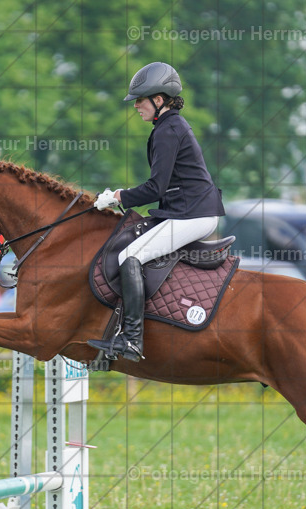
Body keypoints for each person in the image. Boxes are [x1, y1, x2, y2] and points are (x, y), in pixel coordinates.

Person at [88, 62, 226, 362]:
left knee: (130, 256)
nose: (136, 105)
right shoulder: (169, 126)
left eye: (141, 99)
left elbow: (155, 188)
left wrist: (118, 197)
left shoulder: (169, 130)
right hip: (186, 210)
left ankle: (132, 340)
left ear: (159, 99)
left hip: (194, 214)